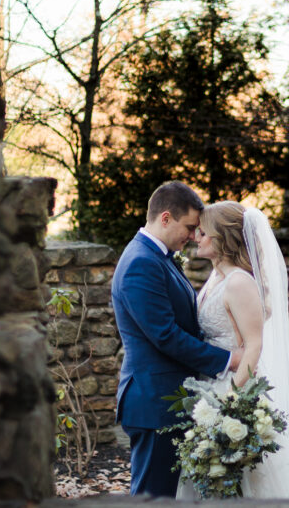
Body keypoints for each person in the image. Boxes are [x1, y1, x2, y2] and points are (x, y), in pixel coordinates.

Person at [111, 181, 243, 497]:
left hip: (168, 399)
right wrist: (226, 359)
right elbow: (165, 335)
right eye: (189, 227)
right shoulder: (141, 263)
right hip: (154, 402)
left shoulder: (159, 256)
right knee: (153, 496)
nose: (194, 235)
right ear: (166, 218)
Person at [176, 201, 289, 499]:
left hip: (234, 387)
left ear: (223, 238)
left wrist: (231, 402)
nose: (196, 238)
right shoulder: (217, 277)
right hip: (211, 383)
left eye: (204, 233)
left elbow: (254, 345)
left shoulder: (239, 282)